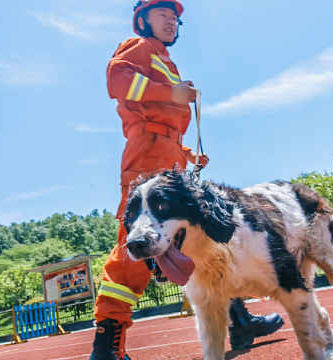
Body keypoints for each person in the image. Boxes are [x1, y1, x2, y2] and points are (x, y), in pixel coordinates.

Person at [90, 1, 283, 359]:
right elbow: (116, 80)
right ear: (142, 20)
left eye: (176, 18)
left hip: (165, 151)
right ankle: (106, 347)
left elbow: (158, 115)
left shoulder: (162, 57)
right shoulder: (140, 47)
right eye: (163, 14)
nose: (172, 22)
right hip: (148, 152)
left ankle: (238, 321)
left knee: (206, 234)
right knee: (135, 245)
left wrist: (186, 155)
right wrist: (171, 93)